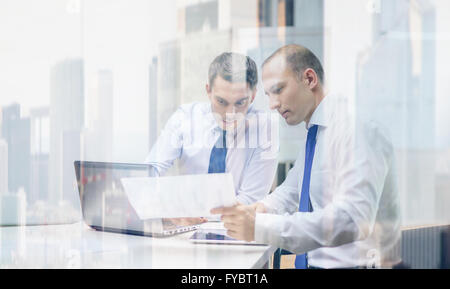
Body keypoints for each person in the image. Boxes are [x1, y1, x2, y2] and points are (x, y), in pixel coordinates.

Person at [211, 44, 401, 269]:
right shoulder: (316, 133)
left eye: (278, 90)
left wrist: (258, 227)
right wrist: (258, 209)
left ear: (309, 79)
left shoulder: (355, 128)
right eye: (268, 95)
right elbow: (292, 192)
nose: (273, 104)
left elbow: (353, 219)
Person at [146, 52, 279, 224]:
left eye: (240, 103)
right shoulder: (185, 118)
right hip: (185, 231)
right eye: (221, 102)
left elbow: (249, 201)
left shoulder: (264, 129)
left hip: (237, 232)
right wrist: (169, 211)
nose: (230, 114)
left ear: (253, 95)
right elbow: (150, 172)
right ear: (208, 90)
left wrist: (198, 216)